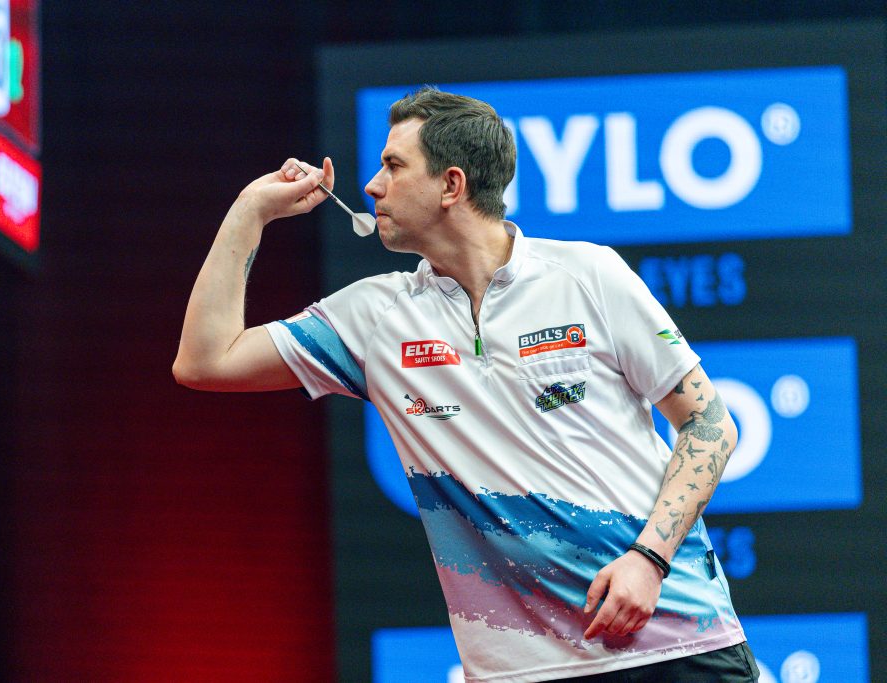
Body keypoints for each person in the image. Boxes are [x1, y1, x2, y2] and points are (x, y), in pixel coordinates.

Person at [173, 87, 759, 682]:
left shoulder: (589, 275)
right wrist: (249, 212)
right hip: (520, 672)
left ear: (451, 185)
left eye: (394, 166)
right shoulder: (374, 319)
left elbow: (710, 424)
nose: (372, 186)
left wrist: (649, 559)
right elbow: (205, 361)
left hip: (676, 643)